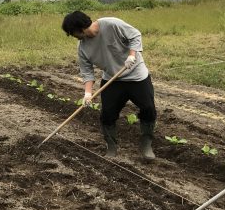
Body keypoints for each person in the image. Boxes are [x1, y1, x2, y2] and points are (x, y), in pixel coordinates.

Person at [62, 11, 156, 161]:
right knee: (107, 114)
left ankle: (146, 144)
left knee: (148, 109)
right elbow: (87, 71)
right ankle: (111, 146)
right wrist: (87, 93)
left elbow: (135, 35)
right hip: (112, 79)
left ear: (81, 28)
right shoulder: (82, 47)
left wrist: (132, 55)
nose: (74, 37)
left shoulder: (111, 24)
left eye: (73, 33)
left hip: (137, 77)